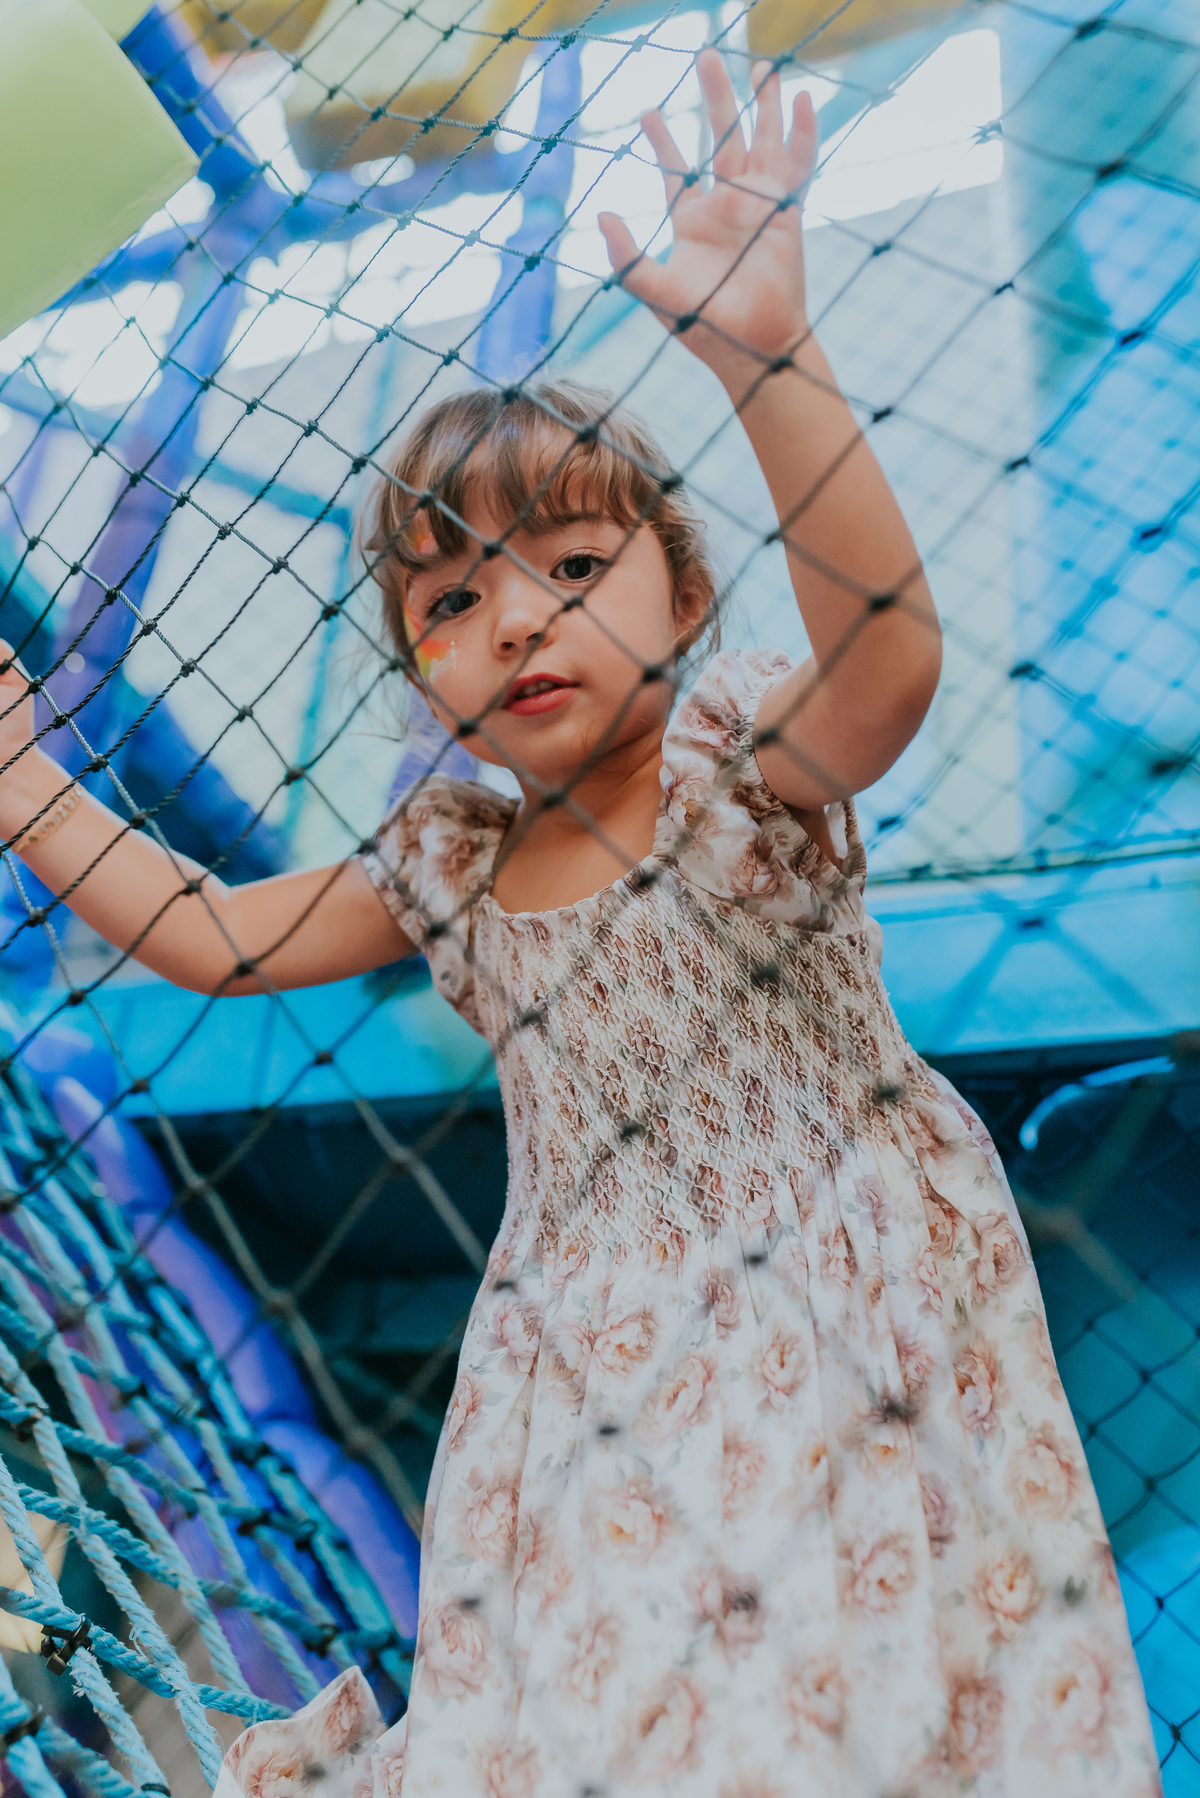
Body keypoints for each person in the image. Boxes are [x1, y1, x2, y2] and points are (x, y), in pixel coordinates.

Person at [0, 51, 1160, 1798]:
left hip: (836, 1304)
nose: (518, 621)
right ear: (426, 678)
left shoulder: (736, 769)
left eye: (571, 567)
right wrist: (26, 783)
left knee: (859, 1695)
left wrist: (766, 353)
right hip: (588, 1361)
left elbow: (888, 661)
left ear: (681, 600)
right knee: (598, 1725)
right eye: (453, 599)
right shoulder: (453, 859)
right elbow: (217, 937)